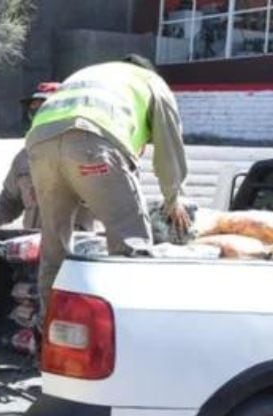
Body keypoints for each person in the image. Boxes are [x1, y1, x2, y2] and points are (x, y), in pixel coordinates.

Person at [25, 54, 190, 310]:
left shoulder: (92, 74)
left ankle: (50, 329)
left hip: (39, 145)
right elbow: (169, 147)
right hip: (92, 141)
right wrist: (173, 197)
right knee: (130, 239)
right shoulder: (152, 82)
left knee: (54, 247)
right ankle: (129, 322)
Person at [0, 82, 95, 233]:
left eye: (45, 109)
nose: (38, 116)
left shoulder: (89, 153)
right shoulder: (24, 157)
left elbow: (114, 206)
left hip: (76, 249)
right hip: (35, 247)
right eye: (33, 110)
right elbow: (8, 202)